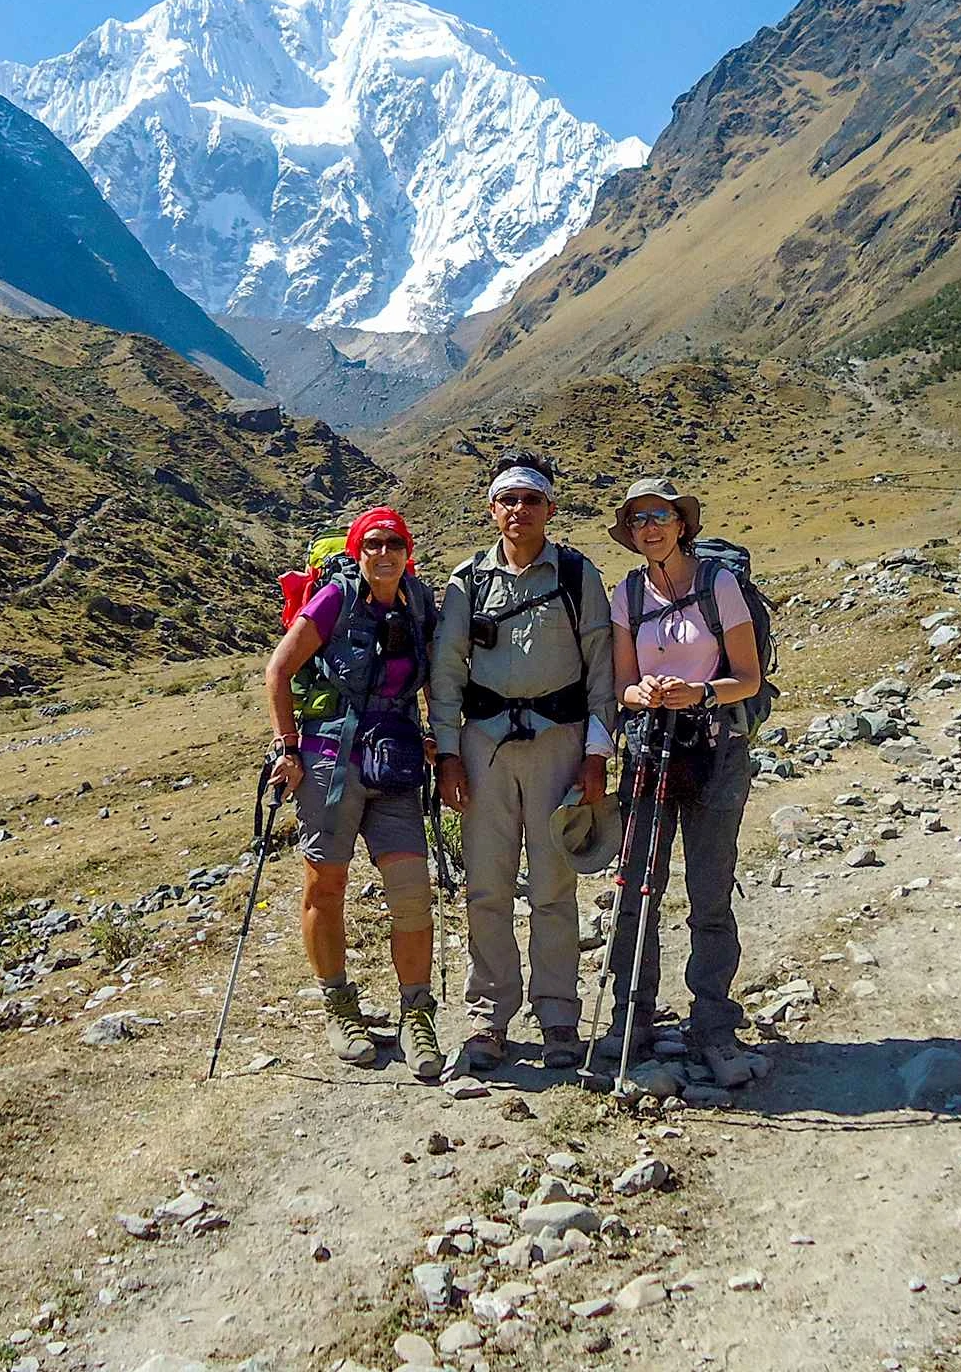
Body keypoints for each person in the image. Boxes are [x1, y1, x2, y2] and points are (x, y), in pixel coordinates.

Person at [429, 451, 615, 1072]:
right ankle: (488, 1016)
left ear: (549, 509)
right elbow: (448, 672)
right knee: (487, 883)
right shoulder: (468, 582)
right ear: (491, 510)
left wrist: (597, 752)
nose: (519, 510)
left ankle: (559, 1011)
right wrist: (448, 755)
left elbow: (601, 667)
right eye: (508, 500)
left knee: (554, 883)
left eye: (531, 500)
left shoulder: (576, 575)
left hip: (560, 744)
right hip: (483, 747)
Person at [264, 505, 445, 1079]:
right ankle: (339, 1006)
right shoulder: (335, 599)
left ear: (407, 550)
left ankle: (417, 1012)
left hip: (393, 758)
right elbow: (279, 669)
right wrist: (287, 748)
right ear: (357, 551)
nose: (384, 554)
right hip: (328, 761)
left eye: (394, 543)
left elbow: (439, 677)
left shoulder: (419, 603)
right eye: (372, 544)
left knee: (412, 891)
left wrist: (441, 738)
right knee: (327, 885)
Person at [596, 477, 766, 1086]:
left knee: (710, 888)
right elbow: (621, 686)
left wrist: (698, 692)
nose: (650, 527)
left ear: (681, 523)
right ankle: (631, 1019)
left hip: (714, 749)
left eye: (660, 516)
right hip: (649, 750)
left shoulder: (719, 586)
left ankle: (714, 1023)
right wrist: (639, 693)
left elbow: (748, 676)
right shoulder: (628, 595)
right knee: (636, 886)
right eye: (638, 519)